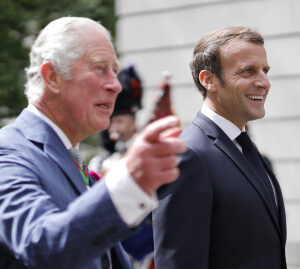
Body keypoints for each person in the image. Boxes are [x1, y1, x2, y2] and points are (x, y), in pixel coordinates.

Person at [0, 17, 186, 269]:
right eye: (99, 68)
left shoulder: (69, 155)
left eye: (114, 70)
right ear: (52, 77)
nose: (116, 85)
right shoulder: (9, 151)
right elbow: (43, 246)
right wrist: (129, 182)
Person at [153, 26, 287, 269]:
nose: (264, 82)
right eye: (248, 71)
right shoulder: (188, 155)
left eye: (265, 71)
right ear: (208, 80)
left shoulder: (244, 147)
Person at [89, 64, 155, 269]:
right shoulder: (98, 162)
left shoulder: (149, 152)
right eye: (111, 120)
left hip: (146, 248)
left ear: (133, 119)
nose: (113, 126)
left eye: (119, 120)